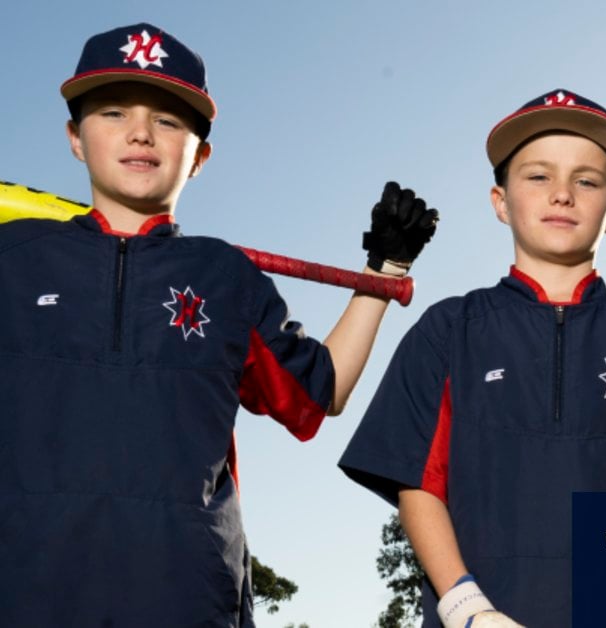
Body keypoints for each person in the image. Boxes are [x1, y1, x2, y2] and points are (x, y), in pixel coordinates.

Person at [0, 23, 436, 626]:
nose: (140, 132)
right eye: (114, 111)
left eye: (170, 120)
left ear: (200, 156)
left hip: (186, 595)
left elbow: (322, 390)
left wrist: (382, 273)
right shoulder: (14, 258)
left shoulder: (224, 275)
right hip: (28, 588)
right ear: (75, 138)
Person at [339, 89, 606, 626]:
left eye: (586, 180)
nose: (562, 194)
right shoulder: (448, 330)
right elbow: (418, 484)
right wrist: (465, 605)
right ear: (500, 200)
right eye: (538, 176)